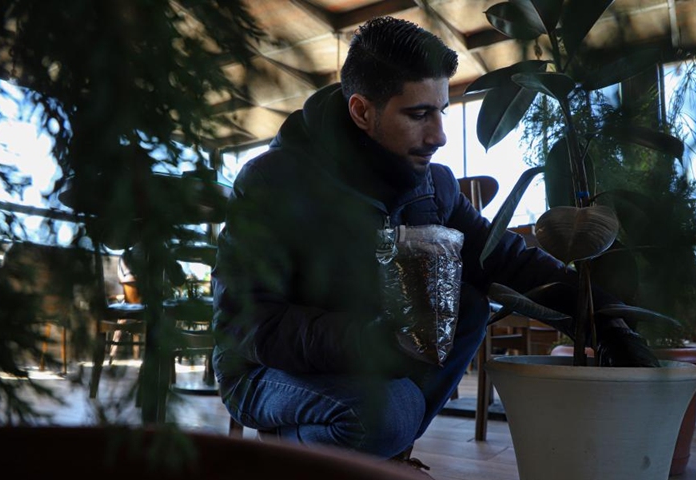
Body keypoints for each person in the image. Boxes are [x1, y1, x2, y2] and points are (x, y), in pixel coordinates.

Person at [211, 16, 657, 473]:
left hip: (370, 359)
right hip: (261, 370)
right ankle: (289, 448)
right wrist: (373, 343)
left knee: (467, 305)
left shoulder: (434, 186)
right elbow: (246, 321)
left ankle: (379, 449)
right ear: (362, 111)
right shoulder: (274, 181)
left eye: (442, 110)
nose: (439, 135)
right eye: (418, 114)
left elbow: (505, 260)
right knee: (390, 411)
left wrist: (609, 322)